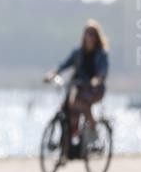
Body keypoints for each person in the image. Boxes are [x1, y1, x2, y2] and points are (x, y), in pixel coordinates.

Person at [44, 19, 109, 148]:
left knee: (80, 105)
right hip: (78, 88)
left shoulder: (101, 54)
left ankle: (93, 131)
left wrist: (96, 80)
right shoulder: (78, 53)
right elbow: (64, 65)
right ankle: (69, 140)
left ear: (97, 37)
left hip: (94, 89)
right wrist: (53, 73)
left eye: (92, 34)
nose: (89, 36)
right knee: (66, 108)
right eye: (87, 33)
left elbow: (102, 71)